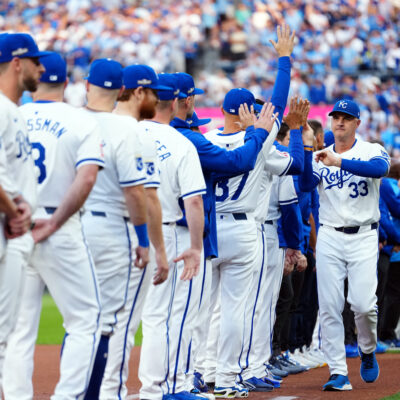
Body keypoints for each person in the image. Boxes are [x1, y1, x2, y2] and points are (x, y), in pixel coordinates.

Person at [3, 51, 105, 399]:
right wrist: (56, 222)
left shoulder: (13, 114)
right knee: (86, 319)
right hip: (59, 224)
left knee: (18, 327)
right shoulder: (80, 121)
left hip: (16, 225)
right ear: (65, 82)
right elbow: (88, 178)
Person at [299, 99, 390, 391]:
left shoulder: (370, 149)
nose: (340, 121)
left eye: (346, 117)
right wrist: (305, 150)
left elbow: (379, 170)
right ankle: (338, 371)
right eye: (336, 117)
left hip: (364, 234)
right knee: (329, 306)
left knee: (364, 305)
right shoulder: (319, 156)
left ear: (357, 123)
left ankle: (366, 348)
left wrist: (338, 161)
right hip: (329, 234)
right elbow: (303, 185)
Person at [79, 58, 156, 399]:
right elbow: (137, 192)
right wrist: (143, 240)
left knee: (79, 322)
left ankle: (77, 392)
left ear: (85, 86)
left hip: (73, 227)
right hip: (114, 228)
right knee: (113, 322)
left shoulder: (74, 120)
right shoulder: (127, 130)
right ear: (125, 90)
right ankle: (108, 393)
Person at [99, 64, 170, 400]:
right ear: (139, 92)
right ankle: (110, 393)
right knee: (122, 324)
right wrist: (157, 248)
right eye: (154, 92)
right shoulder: (139, 133)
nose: (157, 99)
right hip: (124, 234)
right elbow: (148, 197)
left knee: (89, 323)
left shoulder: (94, 124)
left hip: (84, 232)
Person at [138, 72, 207, 400]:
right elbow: (193, 201)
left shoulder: (129, 133)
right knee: (173, 316)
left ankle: (153, 388)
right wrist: (196, 246)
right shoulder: (182, 142)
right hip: (170, 232)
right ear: (177, 102)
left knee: (145, 317)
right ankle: (170, 386)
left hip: (132, 231)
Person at [0, 32, 45, 393]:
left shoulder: (12, 110)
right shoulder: (1, 108)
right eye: (34, 60)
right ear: (17, 63)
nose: (40, 68)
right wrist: (13, 208)